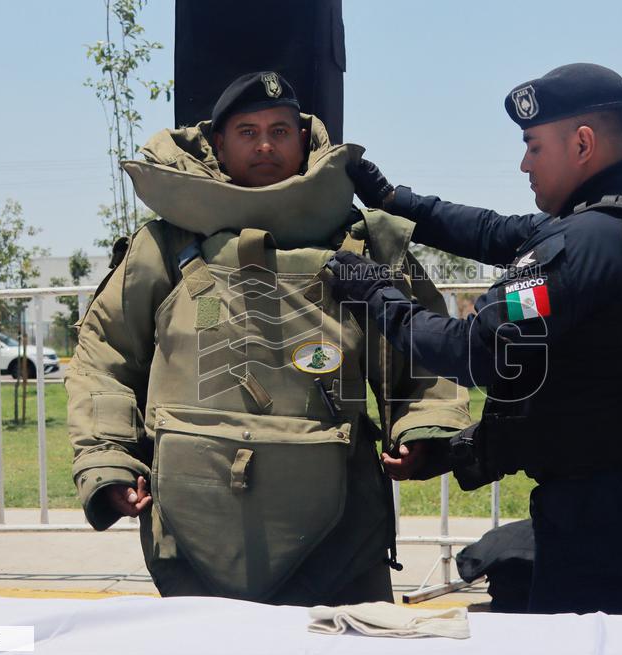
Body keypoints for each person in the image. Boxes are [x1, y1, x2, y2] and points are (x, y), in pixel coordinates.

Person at [67, 71, 470, 605]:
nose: (264, 146)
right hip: (194, 535)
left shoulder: (360, 241)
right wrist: (108, 459)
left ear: (303, 141)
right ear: (218, 144)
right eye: (247, 132)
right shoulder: (163, 247)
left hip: (341, 541)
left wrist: (423, 428)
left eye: (279, 131)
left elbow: (424, 352)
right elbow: (104, 357)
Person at [327, 63, 622, 617]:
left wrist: (373, 293)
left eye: (534, 146)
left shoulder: (584, 244)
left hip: (599, 516)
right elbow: (492, 232)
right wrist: (393, 198)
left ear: (581, 144)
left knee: (592, 650)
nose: (524, 163)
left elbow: (474, 350)